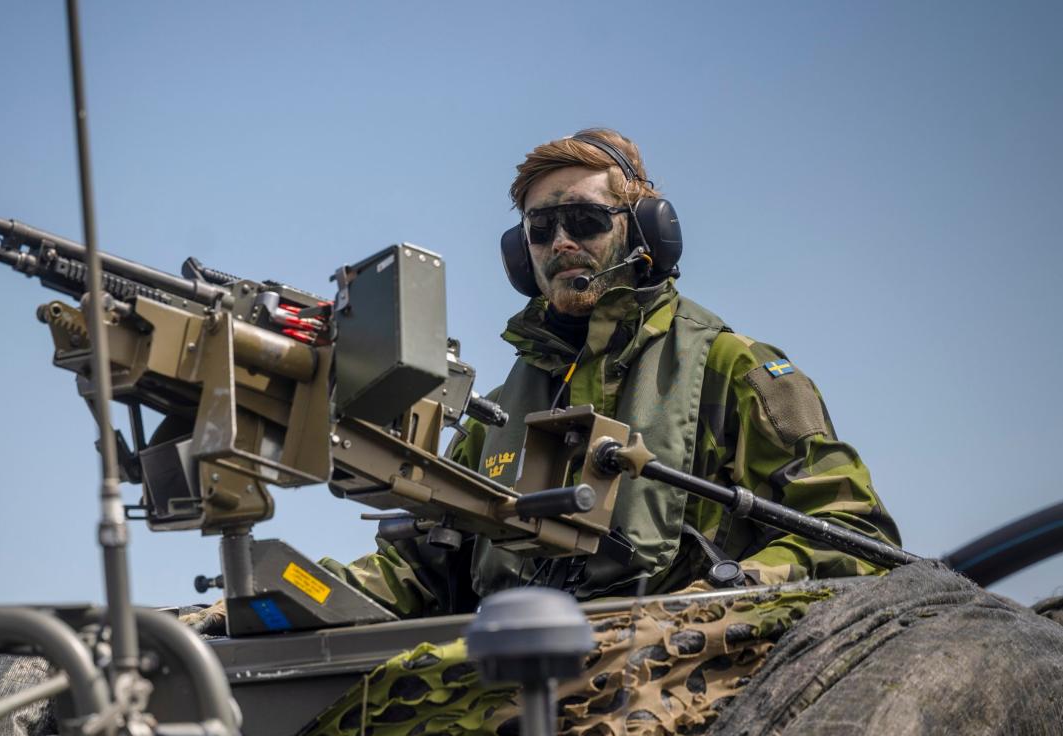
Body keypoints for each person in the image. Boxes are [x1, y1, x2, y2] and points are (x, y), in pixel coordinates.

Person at [318, 127, 902, 617]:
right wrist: (292, 594)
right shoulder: (495, 414)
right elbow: (418, 568)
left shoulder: (736, 370)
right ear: (522, 256)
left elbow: (855, 537)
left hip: (690, 682)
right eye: (541, 230)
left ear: (646, 231)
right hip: (511, 687)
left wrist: (727, 597)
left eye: (586, 221)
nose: (562, 242)